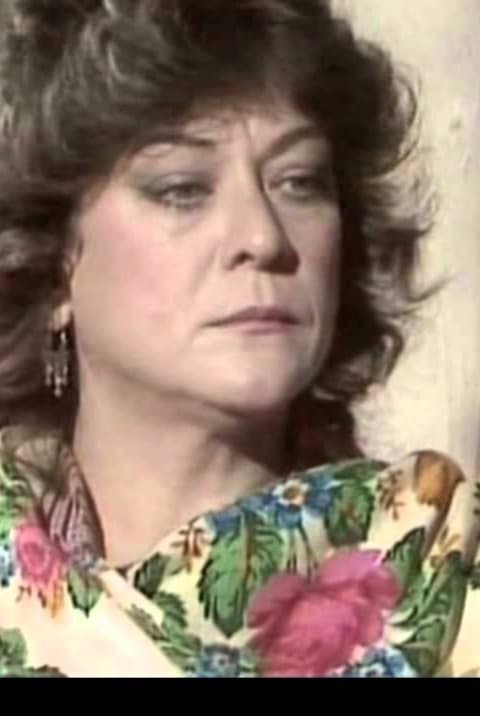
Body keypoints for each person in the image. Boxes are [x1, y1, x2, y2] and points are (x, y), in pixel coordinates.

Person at [0, 0, 478, 678]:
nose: (263, 236)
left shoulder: (443, 571)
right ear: (52, 265)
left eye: (300, 182)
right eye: (182, 189)